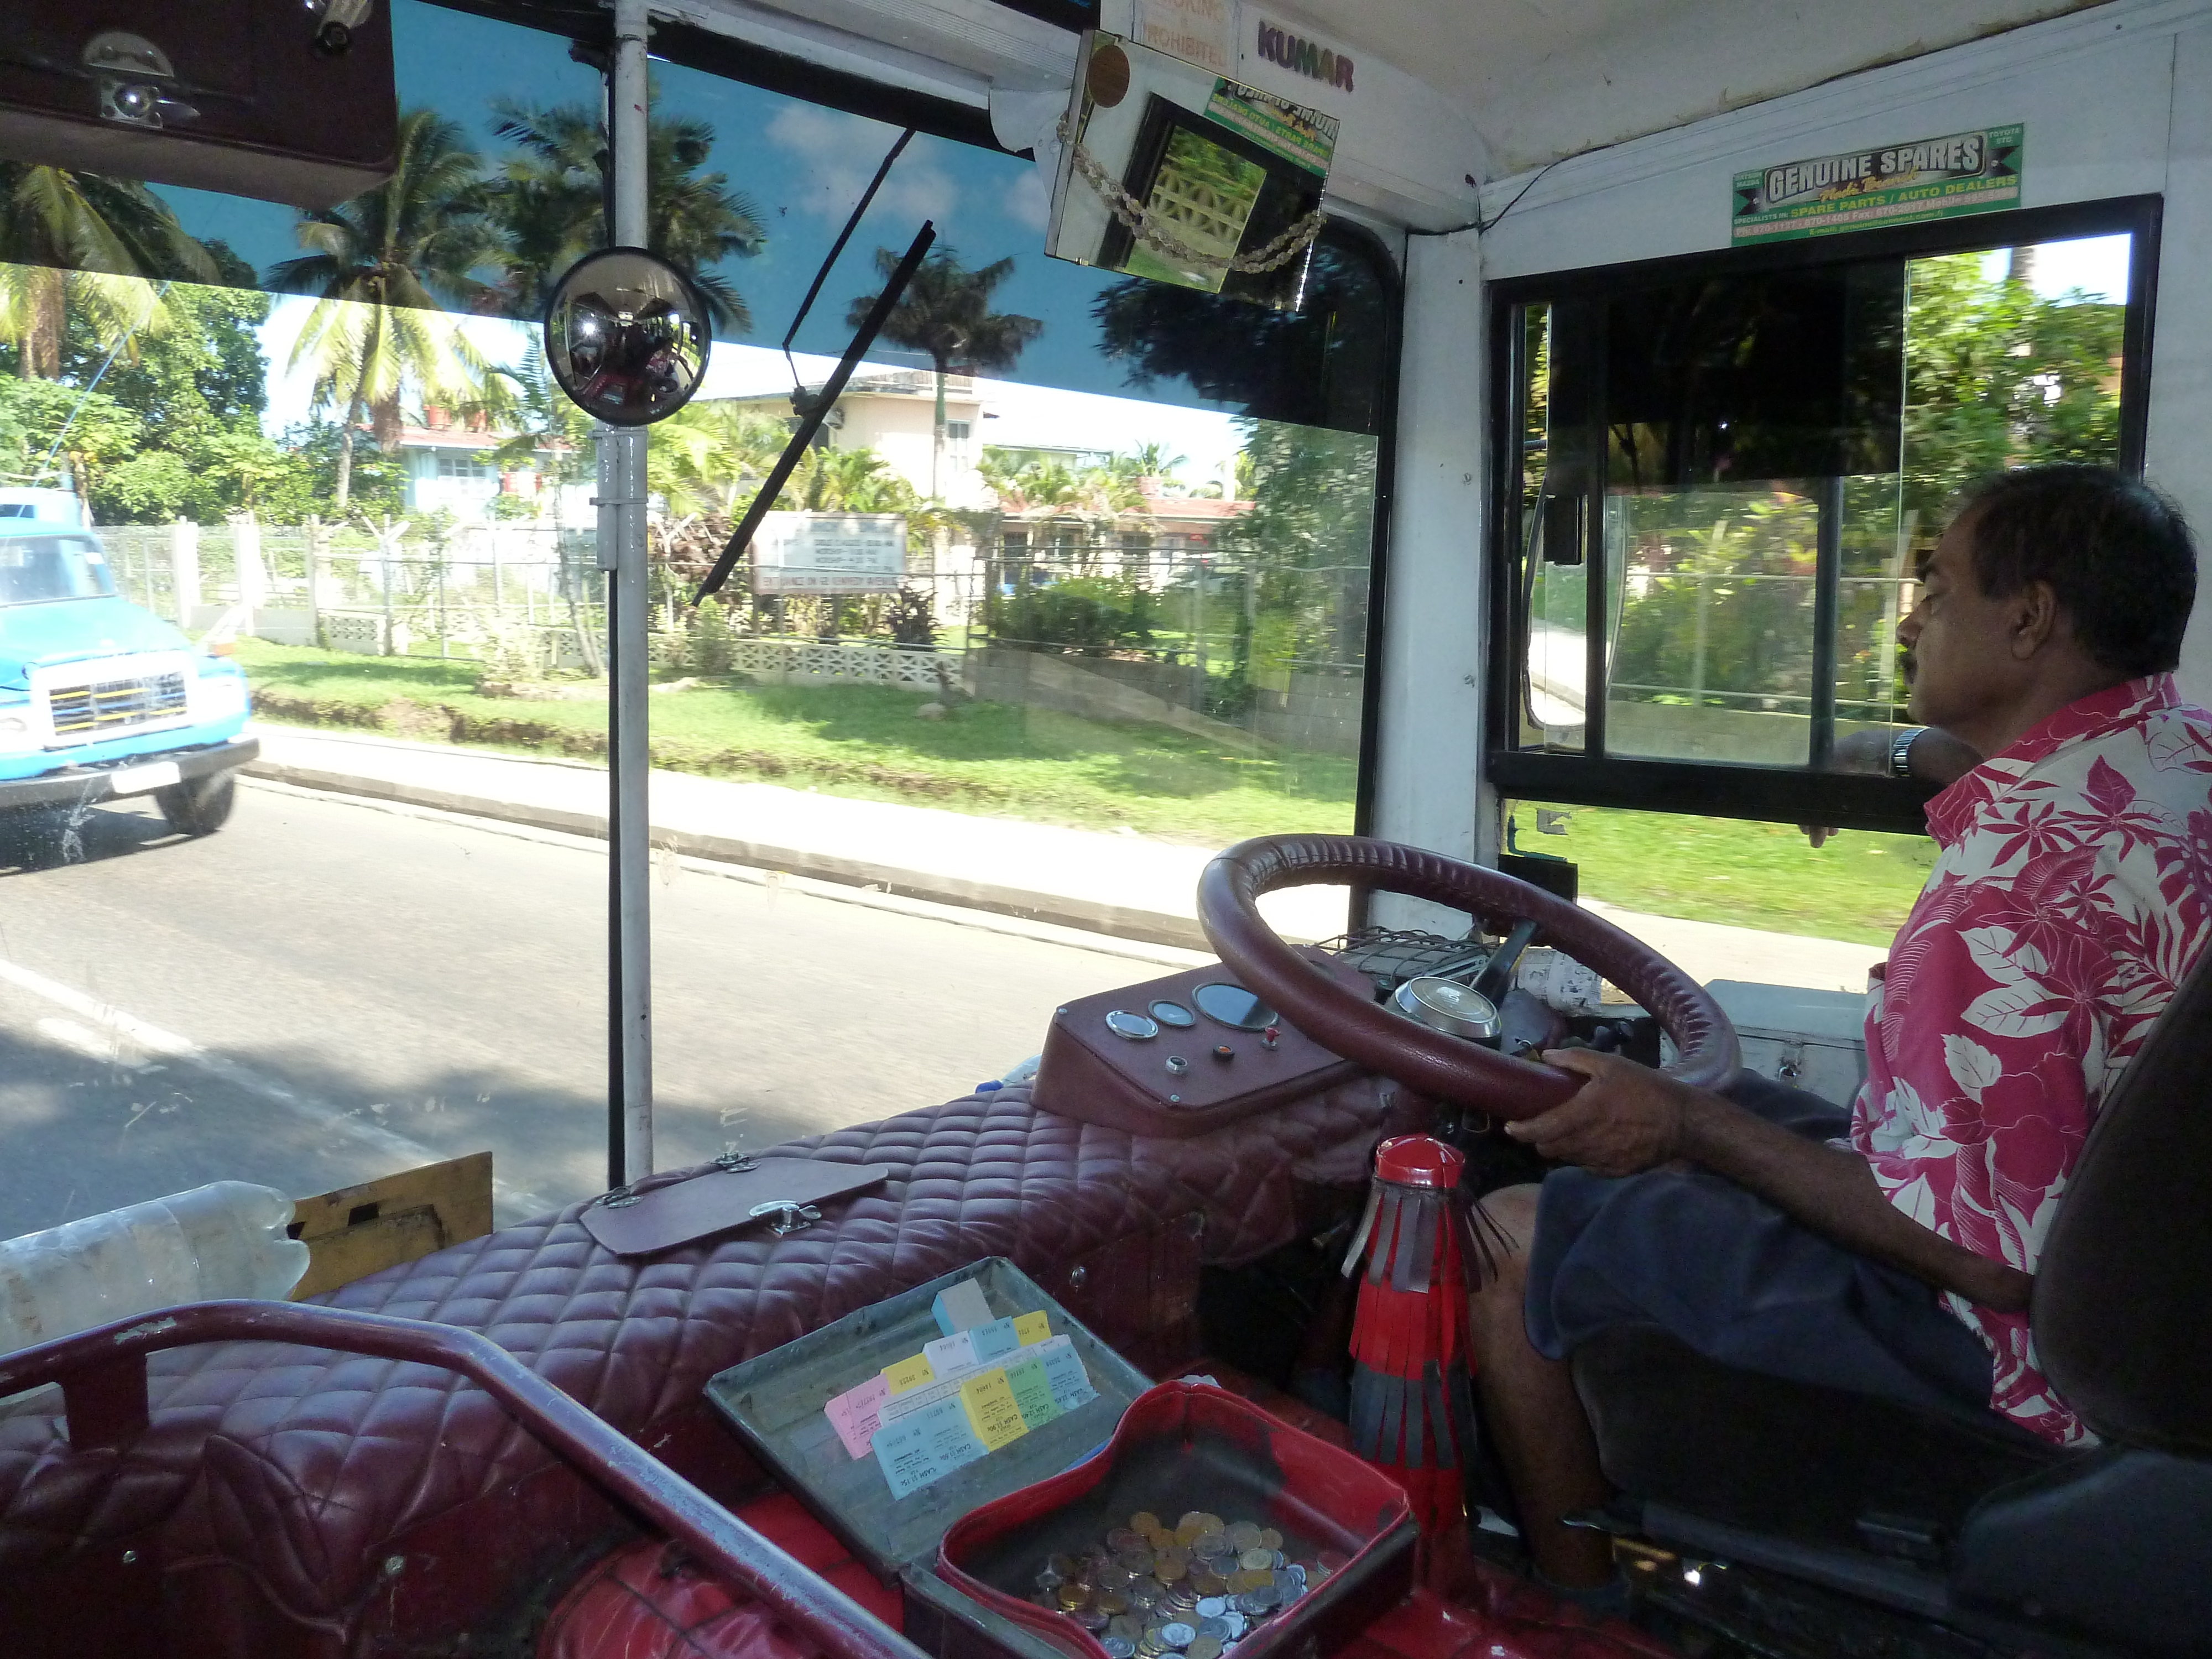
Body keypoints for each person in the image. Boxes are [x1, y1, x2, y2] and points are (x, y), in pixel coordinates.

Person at [1468, 463, 2212, 1602]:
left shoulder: (2001, 898)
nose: (1910, 616)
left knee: (1509, 1229)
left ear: (2028, 618)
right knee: (1712, 1117)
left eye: (1940, 587)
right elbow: (2006, 791)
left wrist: (1684, 1127)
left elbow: (1986, 1263)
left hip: (2014, 1357)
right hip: (2148, 1282)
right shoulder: (2172, 759)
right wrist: (1883, 749)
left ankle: (1572, 1608)